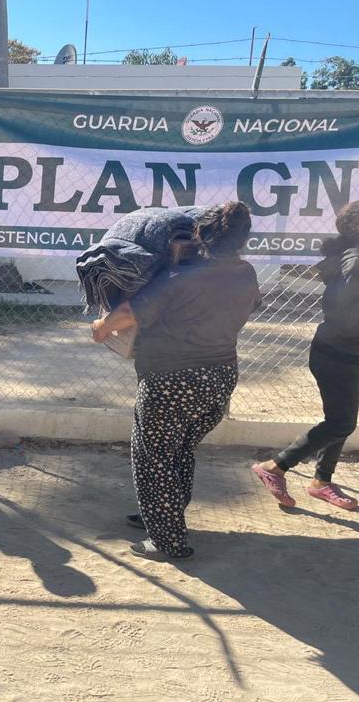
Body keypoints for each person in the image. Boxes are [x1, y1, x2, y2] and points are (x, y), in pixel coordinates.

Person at [91, 201, 261, 561]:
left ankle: (168, 541)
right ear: (243, 240)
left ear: (200, 234)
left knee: (153, 457)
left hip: (171, 382)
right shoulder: (245, 273)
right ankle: (164, 512)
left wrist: (100, 328)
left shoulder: (178, 279)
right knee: (179, 448)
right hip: (219, 378)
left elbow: (126, 315)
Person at [252, 202, 359, 511]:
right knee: (341, 421)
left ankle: (321, 482)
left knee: (342, 417)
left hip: (343, 352)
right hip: (337, 354)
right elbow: (343, 315)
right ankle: (274, 467)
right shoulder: (354, 263)